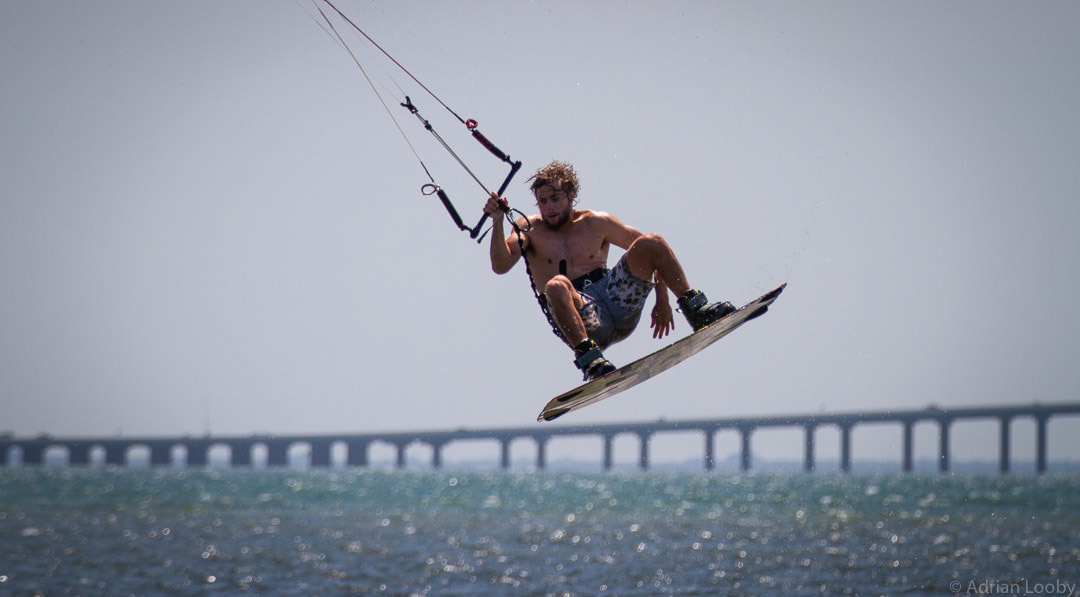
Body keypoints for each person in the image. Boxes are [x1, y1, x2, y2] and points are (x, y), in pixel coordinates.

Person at [483, 160, 736, 381]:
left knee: (652, 241)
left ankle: (697, 310)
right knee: (556, 284)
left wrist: (663, 300)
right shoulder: (530, 228)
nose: (549, 208)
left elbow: (653, 254)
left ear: (571, 195)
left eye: (555, 199)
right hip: (584, 317)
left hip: (617, 301)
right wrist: (497, 222)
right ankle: (591, 361)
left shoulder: (596, 221)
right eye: (543, 202)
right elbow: (500, 265)